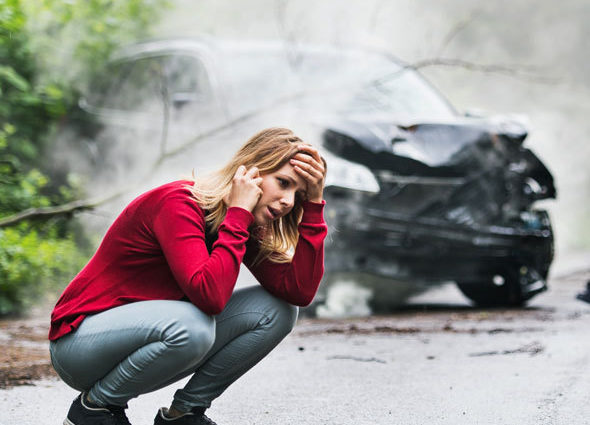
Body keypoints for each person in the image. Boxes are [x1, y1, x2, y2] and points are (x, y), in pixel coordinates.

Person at [49, 127, 328, 425]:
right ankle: (94, 409)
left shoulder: (240, 220)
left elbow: (298, 291)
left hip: (144, 342)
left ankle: (184, 414)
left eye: (297, 195)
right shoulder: (179, 202)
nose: (288, 201)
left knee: (278, 310)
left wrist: (313, 206)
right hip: (79, 345)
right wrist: (238, 215)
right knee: (194, 325)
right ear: (250, 172)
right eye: (282, 183)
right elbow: (210, 298)